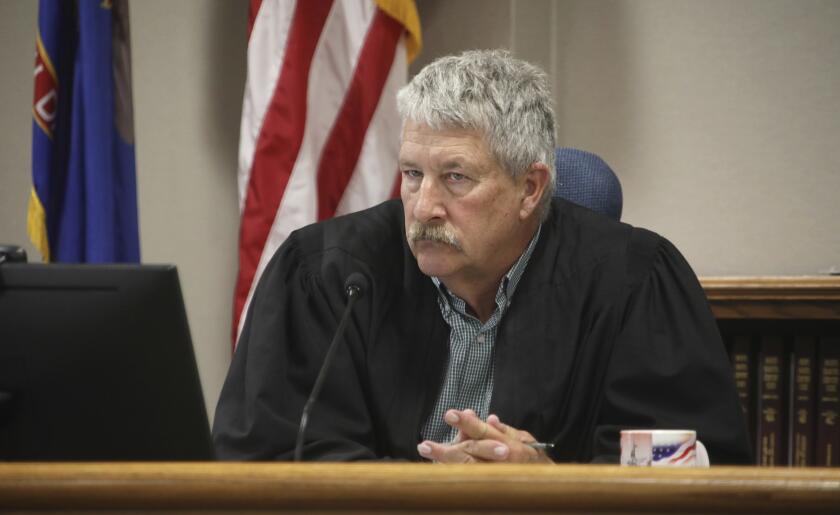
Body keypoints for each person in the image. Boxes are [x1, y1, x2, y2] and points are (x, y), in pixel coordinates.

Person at [213, 50, 752, 464]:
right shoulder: (327, 275)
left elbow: (684, 466)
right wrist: (437, 494)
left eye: (456, 178)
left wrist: (545, 481)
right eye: (412, 174)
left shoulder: (633, 282)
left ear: (530, 188)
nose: (424, 207)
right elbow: (272, 454)